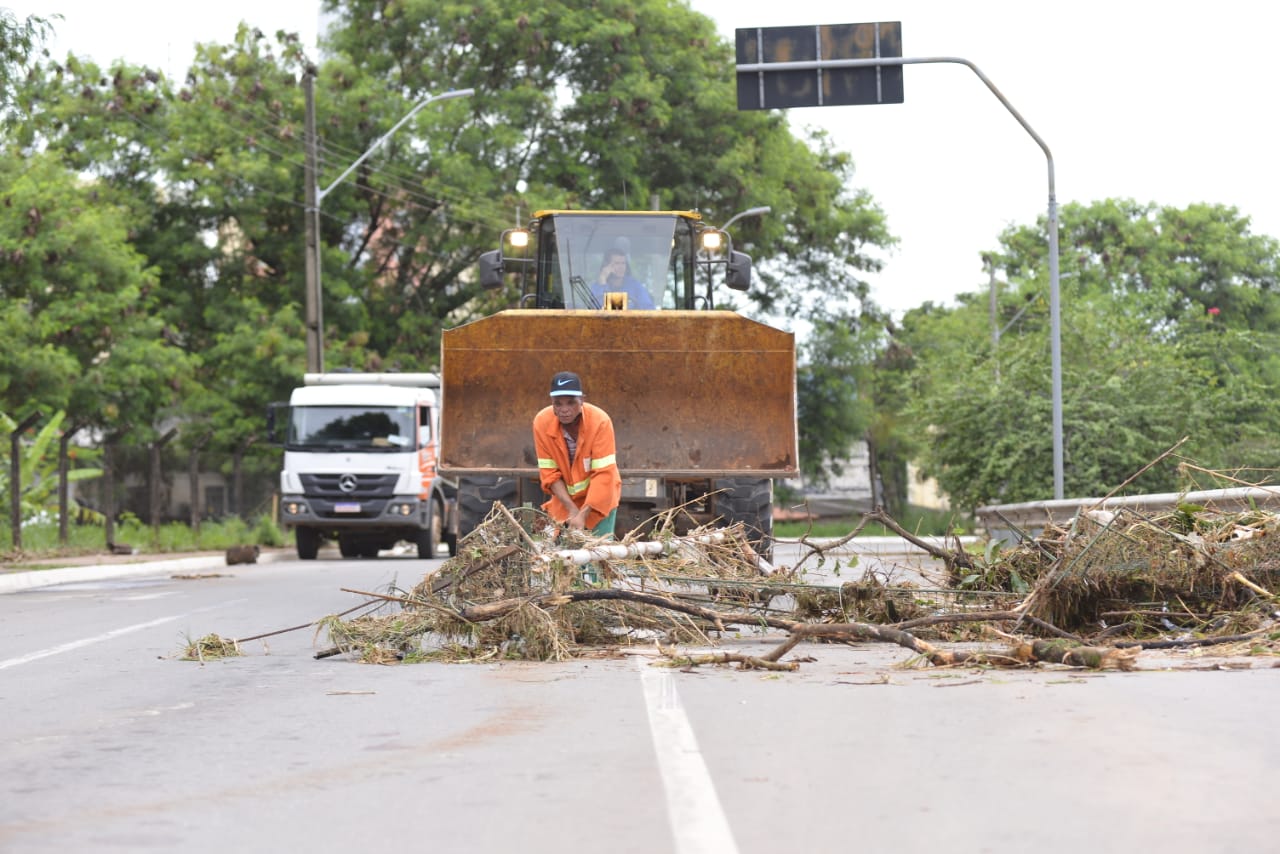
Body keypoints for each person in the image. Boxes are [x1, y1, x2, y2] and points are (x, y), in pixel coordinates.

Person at [533, 371, 621, 536]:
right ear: (552, 403)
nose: (564, 410)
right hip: (565, 502)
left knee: (597, 555)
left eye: (571, 402)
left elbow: (603, 475)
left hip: (598, 503)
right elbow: (550, 474)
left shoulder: (600, 422)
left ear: (582, 401)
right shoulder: (542, 423)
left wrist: (583, 514)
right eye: (558, 404)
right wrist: (573, 511)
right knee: (566, 558)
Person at [590, 247, 655, 309]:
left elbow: (649, 309)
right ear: (606, 266)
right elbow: (594, 311)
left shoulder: (635, 286)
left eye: (623, 263)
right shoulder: (597, 287)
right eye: (617, 263)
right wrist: (603, 280)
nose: (621, 267)